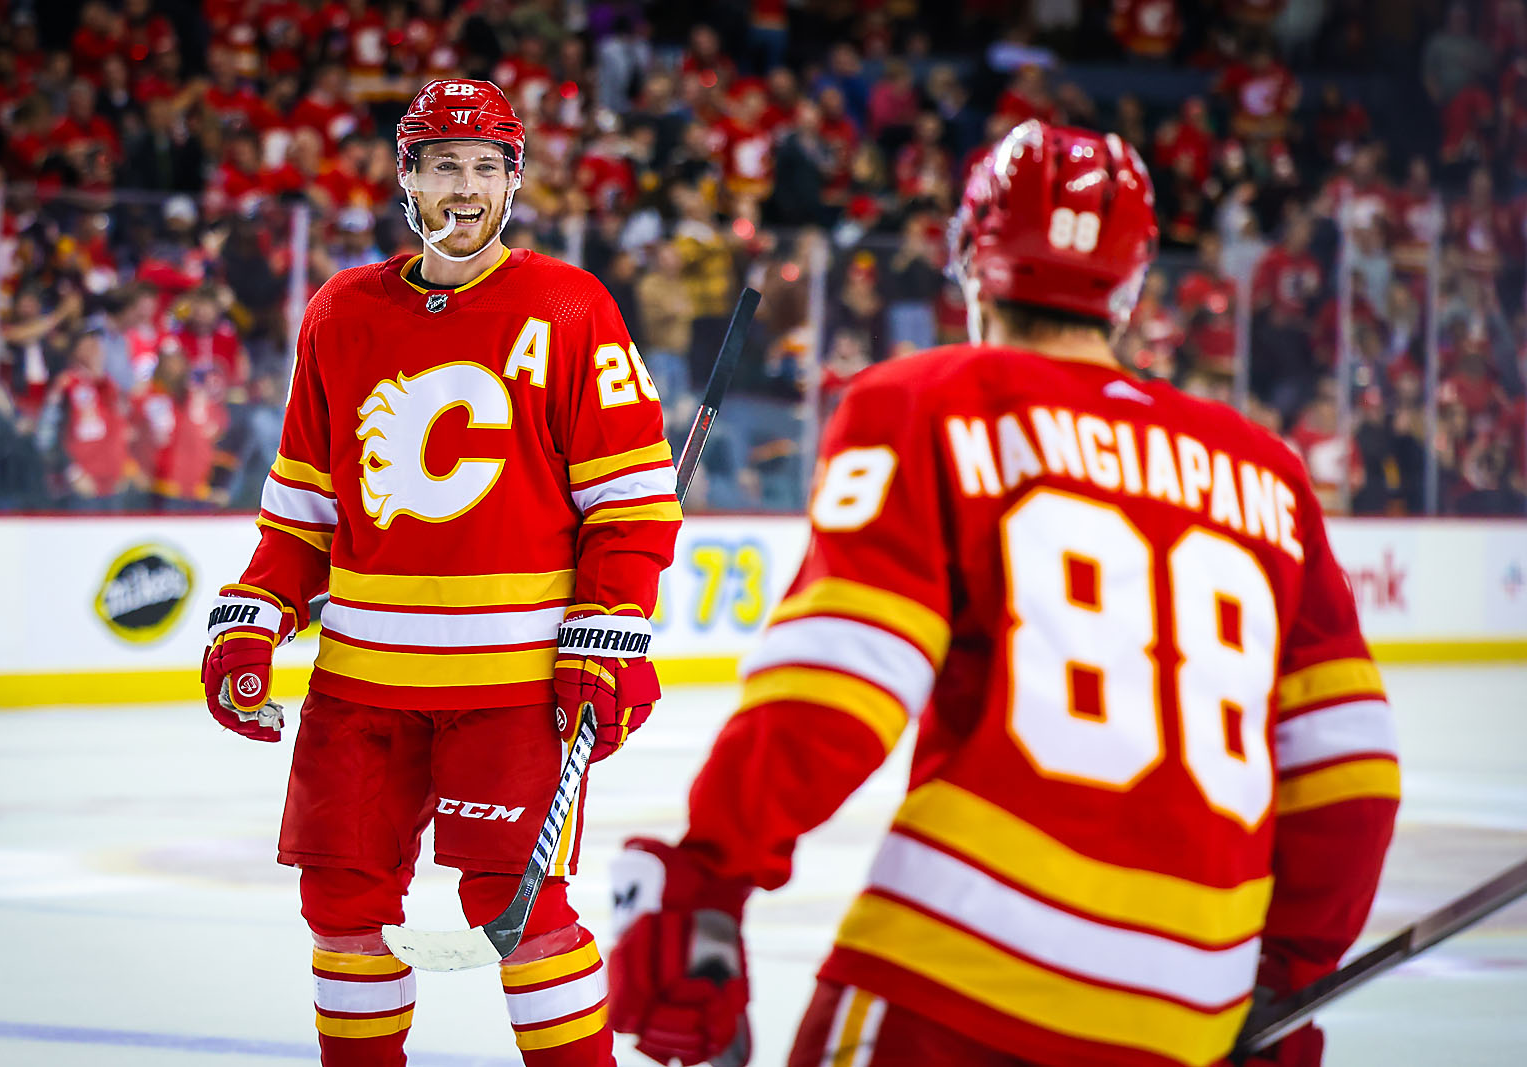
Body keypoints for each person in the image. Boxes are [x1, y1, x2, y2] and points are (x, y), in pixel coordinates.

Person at [606, 121, 1400, 1067]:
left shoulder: (925, 399)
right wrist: (1283, 976)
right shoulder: (1265, 471)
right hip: (1188, 1005)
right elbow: (1351, 763)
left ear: (971, 263)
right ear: (1135, 283)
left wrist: (710, 877)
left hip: (960, 973)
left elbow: (840, 677)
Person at [198, 79, 680, 1067]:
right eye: (442, 166)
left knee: (518, 910)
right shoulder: (339, 311)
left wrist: (613, 630)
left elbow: (629, 510)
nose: (464, 189)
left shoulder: (569, 305)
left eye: (483, 167)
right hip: (359, 685)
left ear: (514, 179)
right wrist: (252, 615)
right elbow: (303, 512)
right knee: (338, 905)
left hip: (511, 686)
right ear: (406, 177)